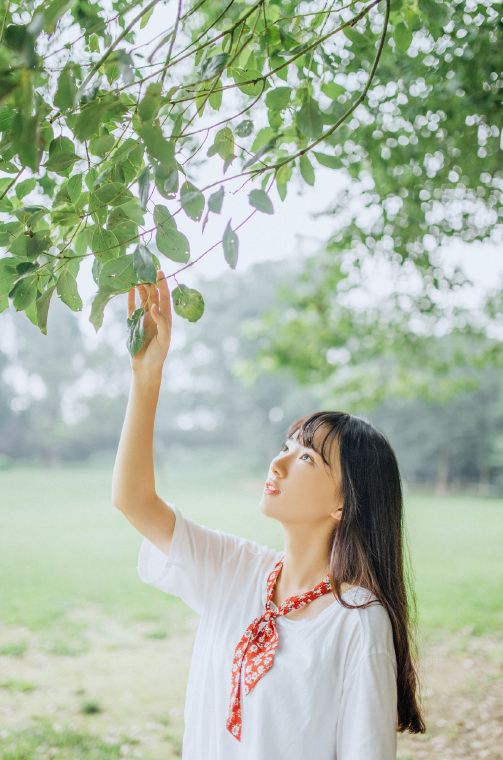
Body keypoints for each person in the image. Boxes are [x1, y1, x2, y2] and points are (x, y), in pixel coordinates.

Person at [112, 270, 426, 759]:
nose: (277, 463)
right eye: (286, 446)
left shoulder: (358, 622)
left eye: (305, 458)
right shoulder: (236, 570)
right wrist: (146, 375)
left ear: (344, 503)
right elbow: (134, 500)